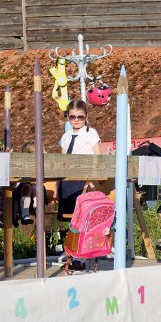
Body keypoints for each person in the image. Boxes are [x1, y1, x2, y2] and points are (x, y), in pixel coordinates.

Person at [58, 100, 102, 270]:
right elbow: (63, 160)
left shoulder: (91, 134)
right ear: (68, 117)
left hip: (84, 180)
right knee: (71, 220)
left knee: (82, 218)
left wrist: (93, 178)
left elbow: (98, 157)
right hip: (68, 181)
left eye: (80, 117)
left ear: (86, 117)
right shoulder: (66, 136)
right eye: (72, 117)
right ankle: (72, 254)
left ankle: (80, 258)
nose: (76, 120)